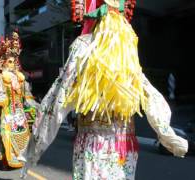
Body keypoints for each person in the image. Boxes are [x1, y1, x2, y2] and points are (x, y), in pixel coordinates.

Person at [22, 1, 188, 179]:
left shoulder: (91, 46)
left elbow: (58, 98)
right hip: (120, 145)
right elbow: (148, 92)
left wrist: (34, 148)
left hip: (99, 146)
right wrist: (166, 133)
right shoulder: (125, 47)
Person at [0, 30, 38, 169]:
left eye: (15, 62)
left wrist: (40, 109)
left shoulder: (20, 79)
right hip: (6, 117)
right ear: (3, 63)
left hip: (20, 117)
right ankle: (5, 162)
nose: (13, 64)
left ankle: (19, 160)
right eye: (10, 61)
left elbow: (29, 99)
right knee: (5, 137)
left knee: (23, 138)